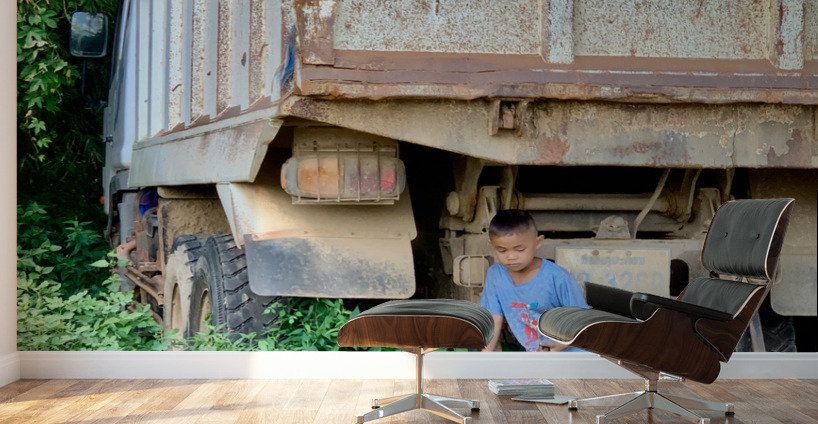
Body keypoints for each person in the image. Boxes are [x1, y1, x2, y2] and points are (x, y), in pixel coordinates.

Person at [479, 209, 589, 352]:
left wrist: (563, 345)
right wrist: (483, 358)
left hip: (572, 354)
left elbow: (582, 320)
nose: (511, 257)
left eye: (519, 250)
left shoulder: (557, 276)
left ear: (538, 242)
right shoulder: (496, 275)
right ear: (492, 244)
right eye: (502, 250)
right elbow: (494, 318)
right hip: (537, 357)